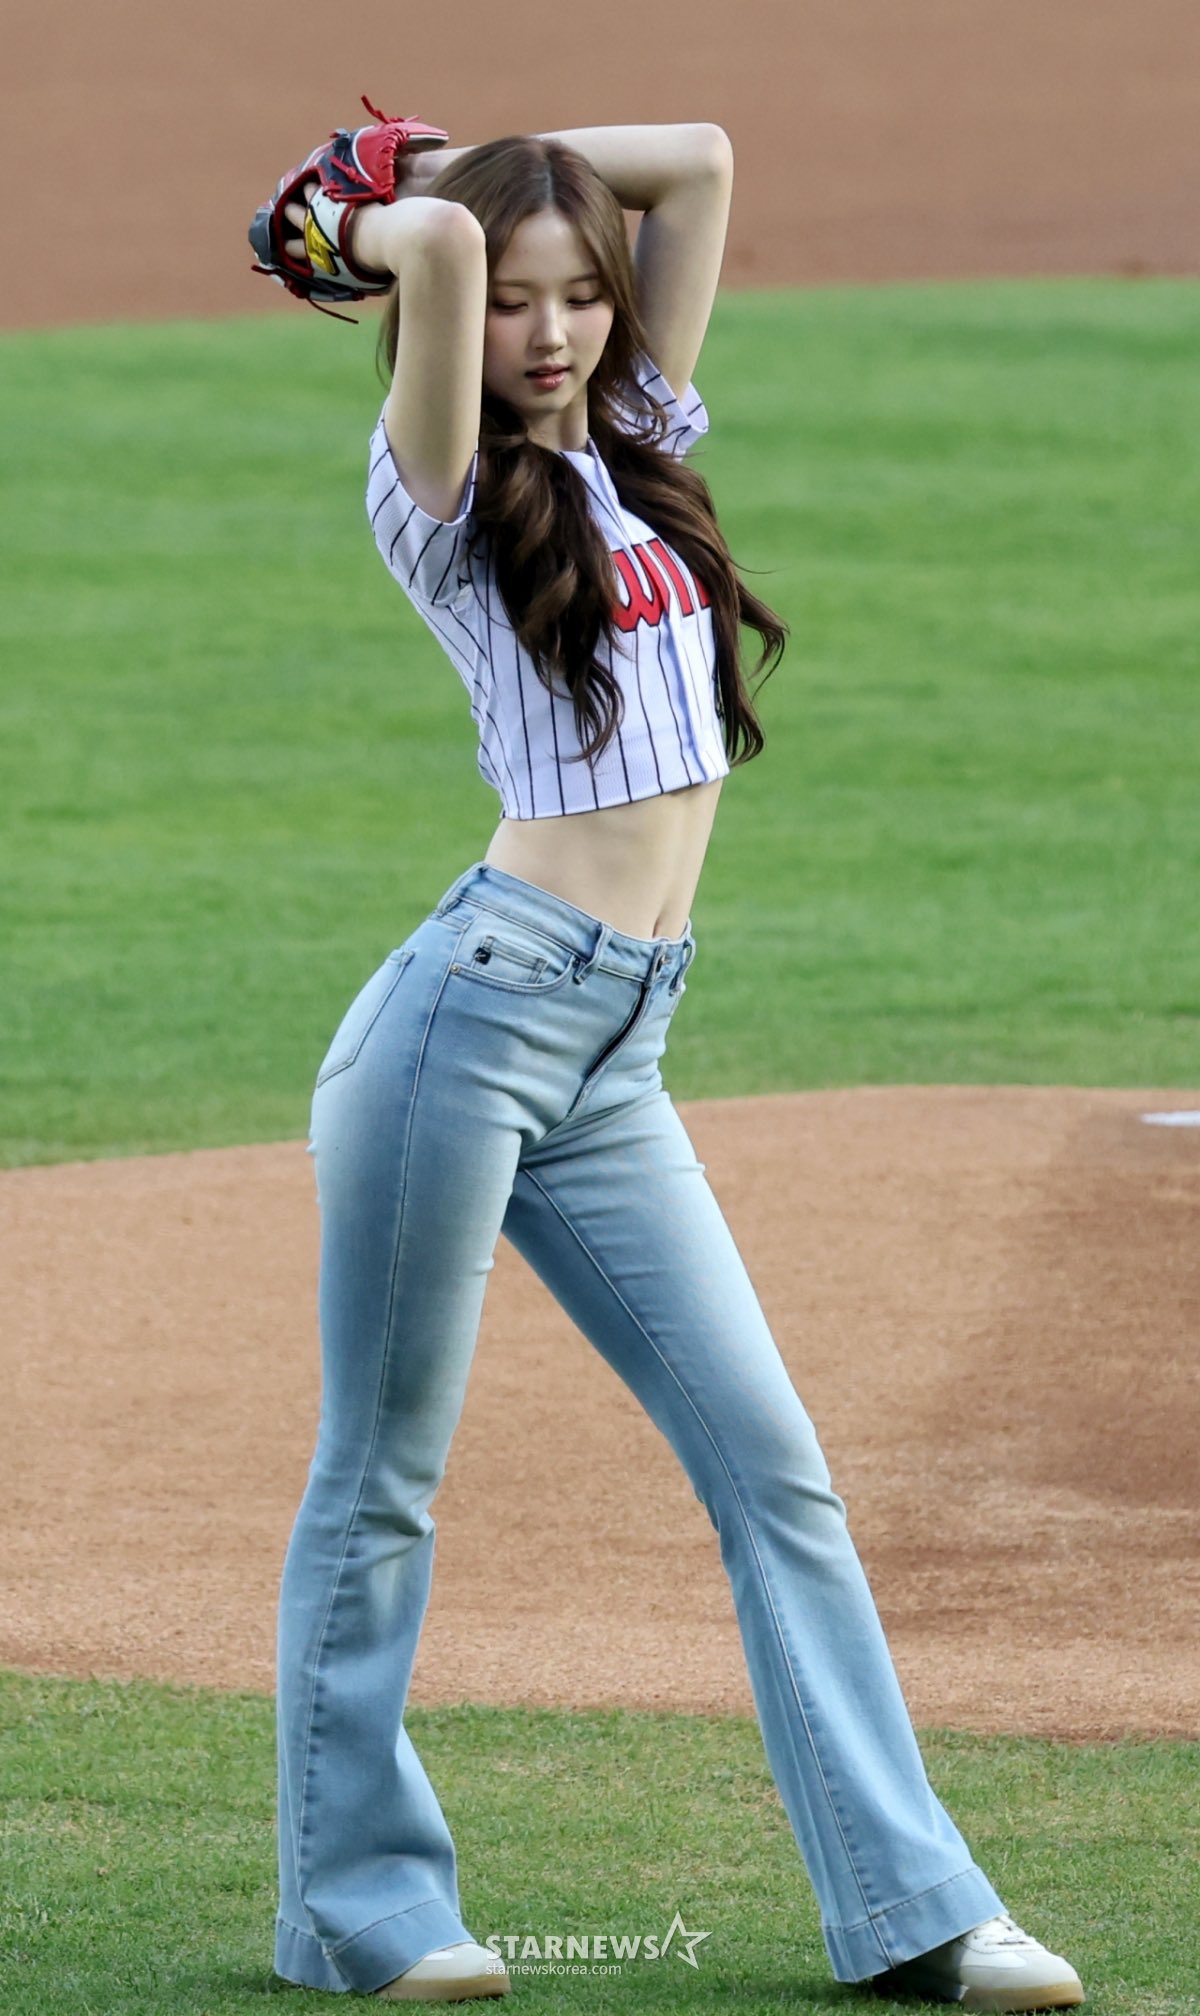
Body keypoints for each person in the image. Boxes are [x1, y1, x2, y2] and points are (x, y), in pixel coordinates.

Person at [270, 120, 1085, 2009]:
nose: (553, 331)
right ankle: (359, 1911)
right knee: (385, 1480)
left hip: (620, 1051)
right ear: (444, 315)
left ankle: (917, 1912)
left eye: (583, 294)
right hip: (469, 1025)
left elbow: (698, 164)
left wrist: (458, 153)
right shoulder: (434, 484)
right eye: (516, 302)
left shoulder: (633, 444)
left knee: (776, 1475)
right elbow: (440, 260)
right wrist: (358, 221)